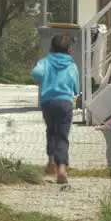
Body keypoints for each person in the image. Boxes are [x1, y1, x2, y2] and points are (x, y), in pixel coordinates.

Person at [34, 33, 80, 185]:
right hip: (65, 103)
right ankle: (62, 168)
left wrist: (45, 79)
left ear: (51, 48)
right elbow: (76, 87)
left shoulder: (45, 62)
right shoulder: (71, 65)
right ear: (69, 50)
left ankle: (51, 161)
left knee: (51, 130)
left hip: (48, 102)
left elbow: (36, 74)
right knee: (62, 135)